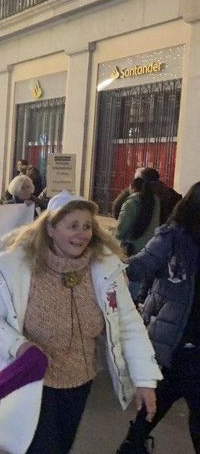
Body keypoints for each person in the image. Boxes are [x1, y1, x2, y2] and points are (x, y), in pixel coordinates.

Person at [0, 191, 161, 454]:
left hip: (80, 381)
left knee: (61, 446)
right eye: (72, 226)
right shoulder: (17, 266)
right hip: (32, 381)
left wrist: (145, 380)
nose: (82, 234)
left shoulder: (105, 269)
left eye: (86, 226)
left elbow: (129, 324)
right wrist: (19, 347)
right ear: (50, 228)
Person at [118, 182, 200, 453]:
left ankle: (133, 444)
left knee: (162, 396)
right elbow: (142, 264)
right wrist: (111, 267)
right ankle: (133, 444)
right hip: (177, 336)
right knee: (165, 396)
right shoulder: (173, 237)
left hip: (186, 342)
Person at [116, 178, 160, 257]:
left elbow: (122, 227)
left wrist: (117, 236)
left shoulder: (130, 203)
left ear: (132, 187)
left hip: (133, 249)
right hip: (152, 247)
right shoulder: (155, 201)